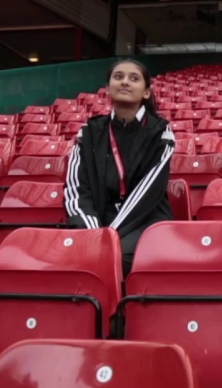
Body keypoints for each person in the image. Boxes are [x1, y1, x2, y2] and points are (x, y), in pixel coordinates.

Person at [64, 59, 174, 276]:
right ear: (107, 88)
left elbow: (147, 193)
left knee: (114, 257)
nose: (125, 82)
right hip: (97, 220)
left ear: (146, 92)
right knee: (73, 256)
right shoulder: (88, 132)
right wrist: (92, 233)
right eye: (118, 77)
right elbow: (76, 190)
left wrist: (109, 236)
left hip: (144, 220)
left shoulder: (161, 133)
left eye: (134, 78)